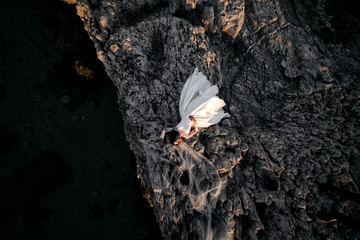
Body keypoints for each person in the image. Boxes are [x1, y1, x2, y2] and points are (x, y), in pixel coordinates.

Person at [160, 68, 230, 149]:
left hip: (187, 114)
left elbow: (164, 130)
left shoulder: (174, 129)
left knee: (198, 103)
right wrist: (194, 122)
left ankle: (209, 92)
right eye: (178, 142)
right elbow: (195, 131)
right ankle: (216, 99)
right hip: (194, 119)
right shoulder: (186, 136)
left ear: (174, 137)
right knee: (206, 111)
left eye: (176, 140)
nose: (178, 140)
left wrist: (161, 140)